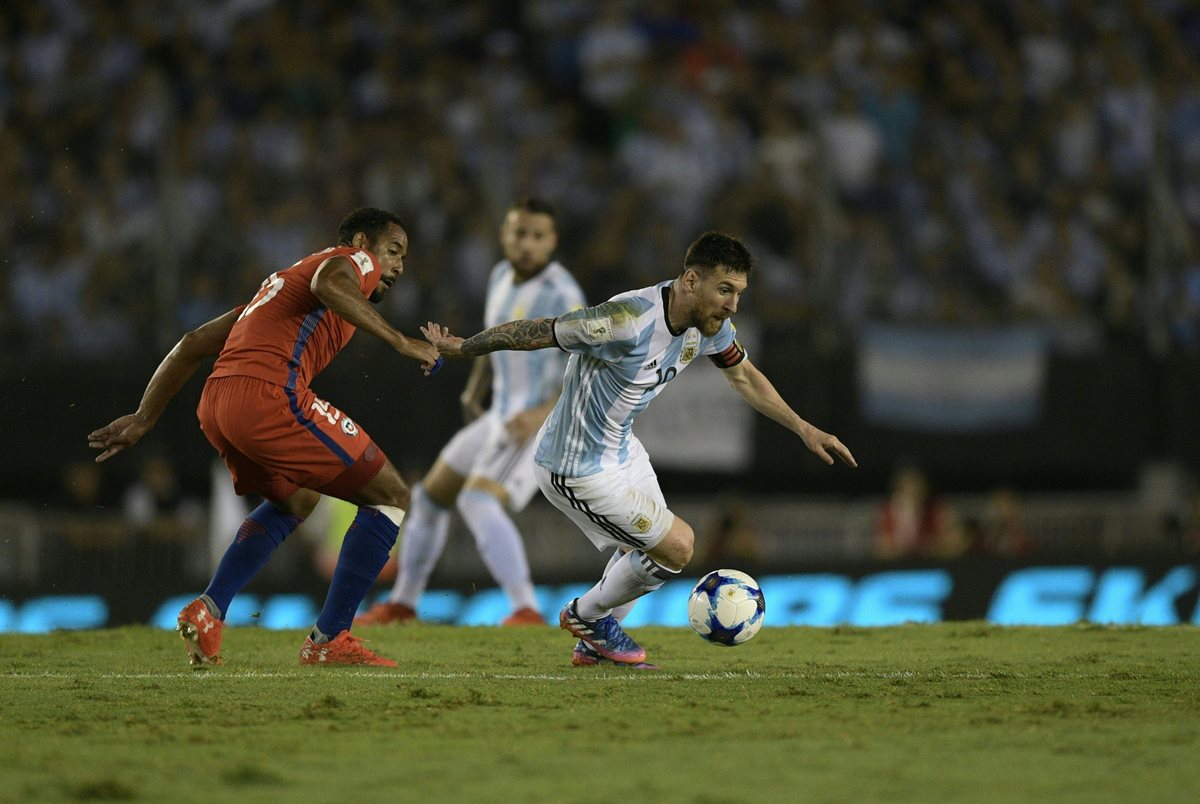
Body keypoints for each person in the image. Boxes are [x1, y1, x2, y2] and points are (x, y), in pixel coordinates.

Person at [422, 231, 856, 668]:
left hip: (623, 450)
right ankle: (586, 616)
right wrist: (464, 346)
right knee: (677, 547)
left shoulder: (711, 326)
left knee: (650, 550)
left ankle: (592, 647)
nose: (732, 306)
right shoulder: (625, 319)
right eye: (725, 290)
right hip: (573, 466)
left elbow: (744, 377)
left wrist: (803, 428)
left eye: (739, 294)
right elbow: (540, 331)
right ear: (691, 280)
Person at [87, 208, 442, 667]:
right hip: (269, 397)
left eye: (403, 259)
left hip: (218, 406)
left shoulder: (277, 289)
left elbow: (192, 342)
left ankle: (210, 610)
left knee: (297, 501)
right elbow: (330, 286)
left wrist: (143, 416)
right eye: (393, 251)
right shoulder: (350, 263)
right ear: (361, 242)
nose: (396, 266)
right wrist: (400, 341)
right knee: (391, 495)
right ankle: (329, 639)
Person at [357, 198, 585, 627]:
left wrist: (541, 414)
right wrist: (473, 390)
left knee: (479, 501)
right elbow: (495, 338)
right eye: (520, 234)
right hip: (499, 413)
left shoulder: (562, 293)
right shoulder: (500, 277)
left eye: (538, 237)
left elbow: (582, 366)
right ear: (504, 235)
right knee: (427, 498)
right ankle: (404, 603)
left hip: (538, 420)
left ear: (552, 242)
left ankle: (525, 608)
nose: (527, 245)